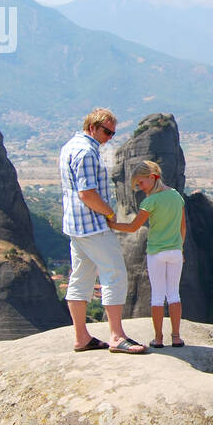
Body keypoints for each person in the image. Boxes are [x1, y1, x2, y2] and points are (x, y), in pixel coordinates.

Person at [59, 108, 146, 353]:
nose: (109, 137)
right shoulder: (87, 152)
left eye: (112, 133)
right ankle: (117, 337)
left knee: (81, 277)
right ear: (92, 127)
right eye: (106, 131)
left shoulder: (69, 146)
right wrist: (109, 213)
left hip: (75, 226)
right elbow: (87, 193)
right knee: (115, 274)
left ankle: (81, 337)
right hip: (92, 225)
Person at [108, 161, 186, 348]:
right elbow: (183, 227)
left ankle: (158, 339)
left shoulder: (150, 202)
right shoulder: (176, 196)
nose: (140, 188)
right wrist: (180, 248)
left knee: (158, 296)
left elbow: (133, 227)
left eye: (141, 183)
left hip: (156, 252)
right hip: (175, 252)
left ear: (152, 177)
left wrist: (111, 224)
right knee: (174, 295)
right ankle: (176, 337)